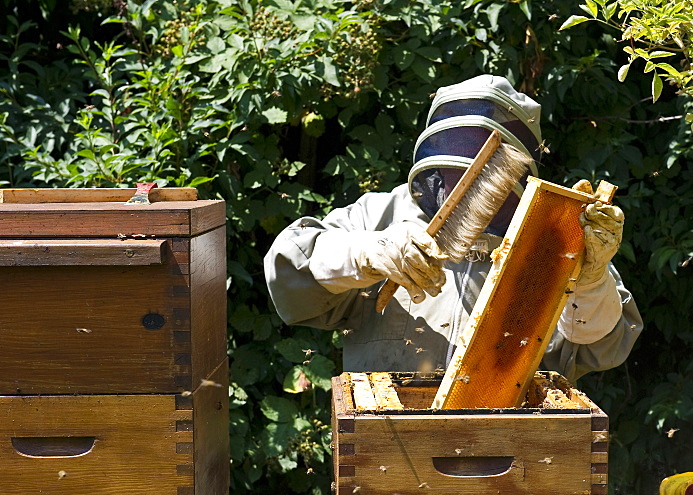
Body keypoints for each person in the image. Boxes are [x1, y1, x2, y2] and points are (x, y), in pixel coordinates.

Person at [264, 75, 641, 383]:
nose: (463, 177)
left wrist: (589, 278)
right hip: (386, 451)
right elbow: (289, 274)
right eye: (456, 156)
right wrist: (369, 252)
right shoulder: (380, 214)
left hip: (512, 451)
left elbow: (601, 346)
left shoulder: (556, 236)